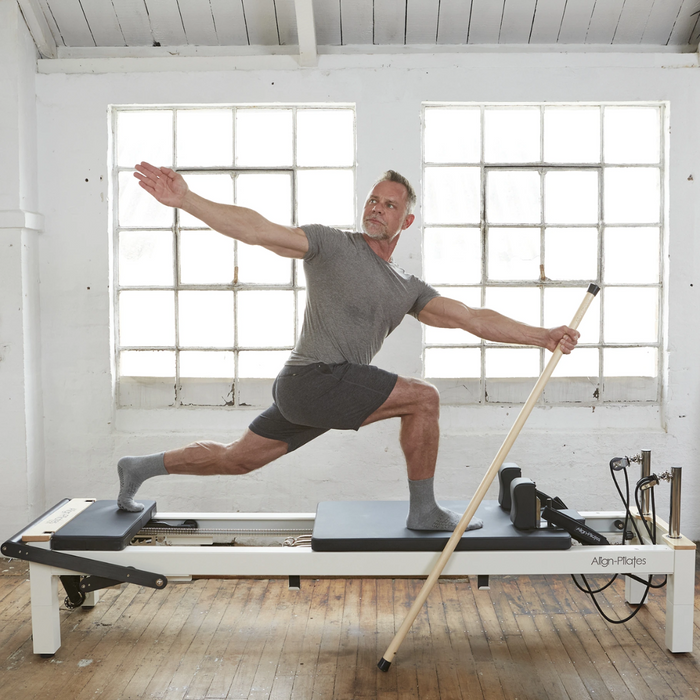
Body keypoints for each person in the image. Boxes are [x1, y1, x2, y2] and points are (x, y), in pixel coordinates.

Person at [117, 161, 579, 531]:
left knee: (236, 459)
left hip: (317, 392)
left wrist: (542, 336)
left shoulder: (408, 287)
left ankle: (139, 466)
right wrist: (187, 199)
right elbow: (258, 229)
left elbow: (472, 318)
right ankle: (423, 513)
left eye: (390, 205)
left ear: (407, 219)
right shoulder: (332, 245)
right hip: (312, 379)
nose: (377, 209)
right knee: (425, 398)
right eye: (373, 200)